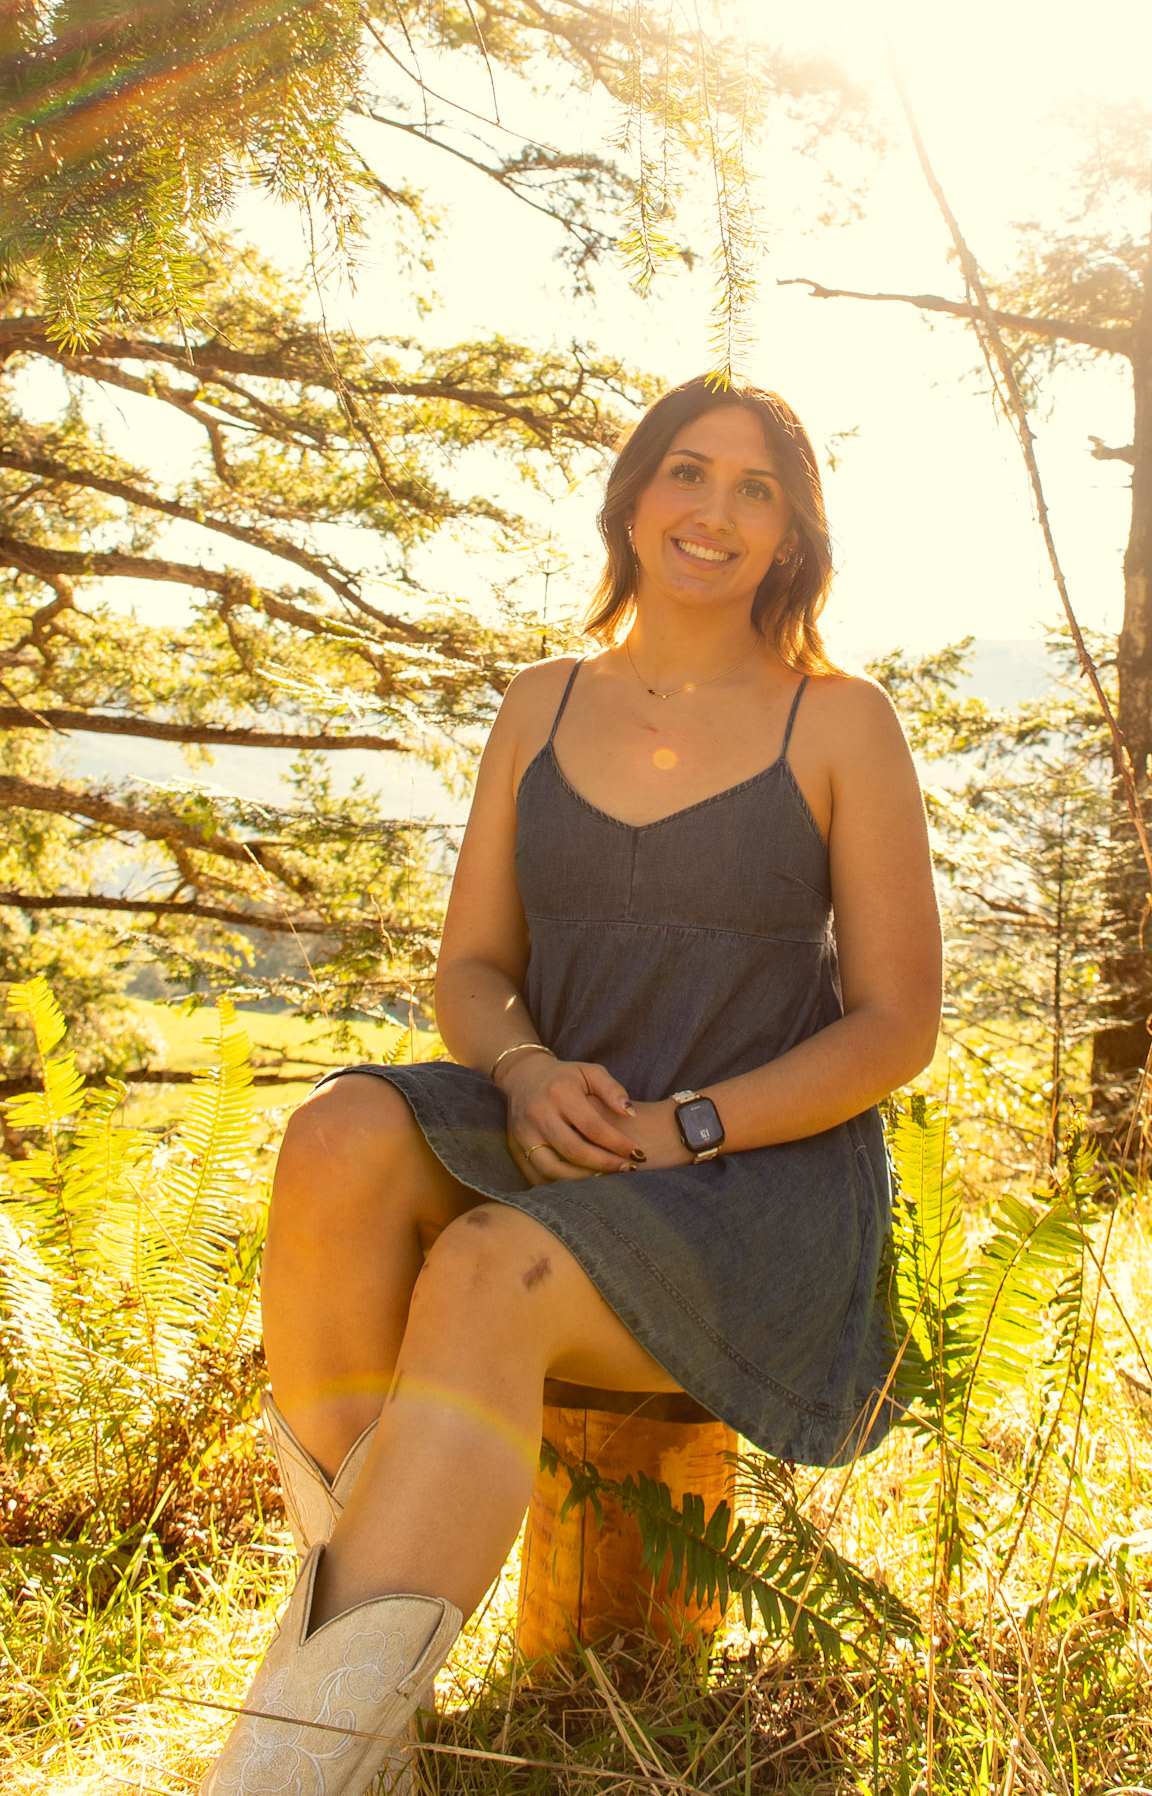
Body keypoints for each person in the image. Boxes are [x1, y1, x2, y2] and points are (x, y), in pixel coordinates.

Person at [198, 375, 942, 1795]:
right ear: (633, 498)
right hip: (553, 1130)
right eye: (687, 471)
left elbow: (897, 1023)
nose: (714, 510)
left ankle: (285, 1770)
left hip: (754, 1178)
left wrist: (688, 1126)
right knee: (340, 1132)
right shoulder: (539, 702)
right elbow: (473, 968)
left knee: (492, 1266)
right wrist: (525, 1069)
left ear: (792, 534)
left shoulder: (840, 721)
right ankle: (354, 1718)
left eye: (757, 488)